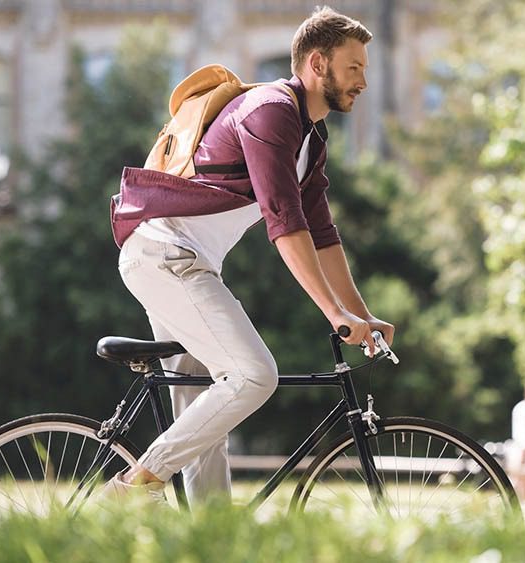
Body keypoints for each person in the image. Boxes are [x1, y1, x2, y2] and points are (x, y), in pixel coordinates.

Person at [103, 7, 394, 503]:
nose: (363, 80)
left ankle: (212, 540)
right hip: (165, 256)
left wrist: (360, 314)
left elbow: (322, 234)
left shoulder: (310, 137)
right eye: (354, 67)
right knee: (255, 375)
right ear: (318, 63)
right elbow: (285, 222)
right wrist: (335, 314)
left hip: (177, 262)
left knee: (207, 408)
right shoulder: (270, 110)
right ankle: (136, 483)